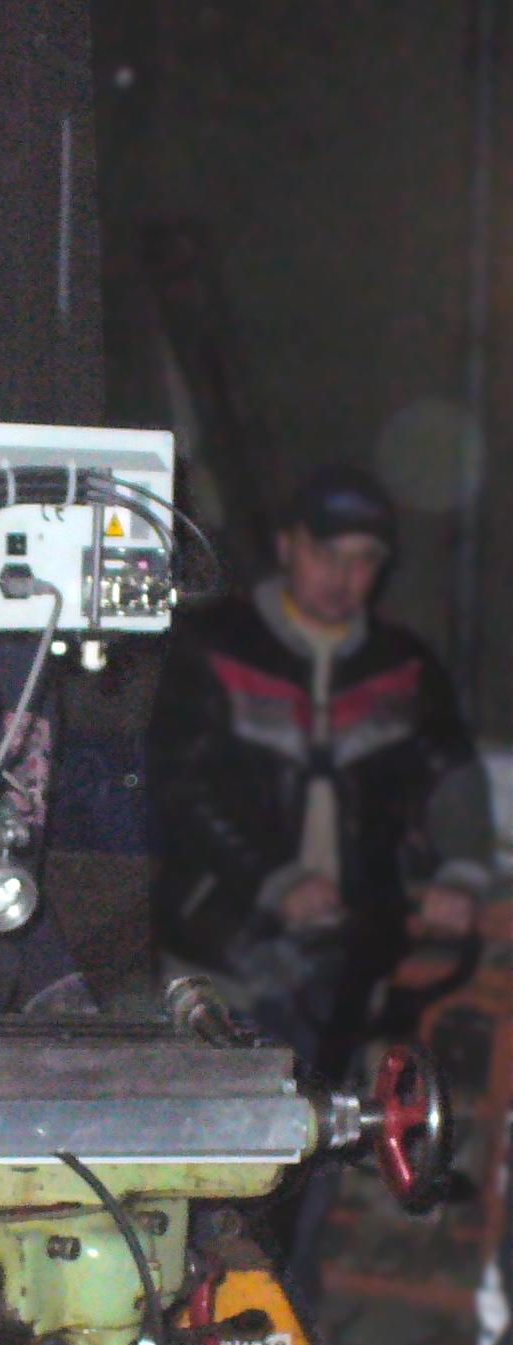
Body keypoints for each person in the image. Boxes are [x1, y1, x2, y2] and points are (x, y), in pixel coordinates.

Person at [147, 465, 494, 1299]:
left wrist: (458, 871)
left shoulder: (399, 666)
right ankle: (191, 1299)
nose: (345, 576)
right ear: (289, 547)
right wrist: (274, 878)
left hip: (348, 946)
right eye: (328, 553)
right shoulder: (216, 649)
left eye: (364, 559)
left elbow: (450, 777)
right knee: (223, 1133)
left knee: (323, 1136)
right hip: (226, 940)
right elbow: (182, 788)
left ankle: (281, 1310)